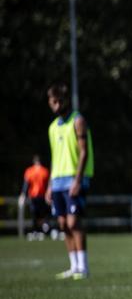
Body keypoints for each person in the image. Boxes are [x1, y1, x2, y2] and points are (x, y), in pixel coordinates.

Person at [47, 83, 94, 279]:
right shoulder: (52, 127)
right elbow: (54, 156)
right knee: (63, 224)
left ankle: (83, 267)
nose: (56, 106)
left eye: (59, 101)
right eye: (53, 102)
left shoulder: (78, 120)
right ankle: (73, 266)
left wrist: (78, 179)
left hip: (74, 178)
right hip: (57, 180)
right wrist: (50, 184)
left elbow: (83, 152)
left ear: (66, 100)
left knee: (74, 222)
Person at [19, 155, 52, 241]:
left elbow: (26, 185)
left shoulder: (29, 171)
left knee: (35, 214)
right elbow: (49, 184)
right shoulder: (45, 171)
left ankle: (37, 231)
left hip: (34, 196)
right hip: (42, 196)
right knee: (41, 215)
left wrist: (23, 195)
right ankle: (40, 231)